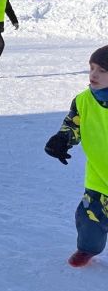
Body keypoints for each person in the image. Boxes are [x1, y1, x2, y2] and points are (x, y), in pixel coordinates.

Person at [45, 45, 108, 268]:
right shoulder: (83, 100)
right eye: (91, 68)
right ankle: (88, 248)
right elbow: (73, 125)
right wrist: (62, 139)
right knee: (88, 218)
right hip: (100, 179)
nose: (94, 75)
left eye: (102, 70)